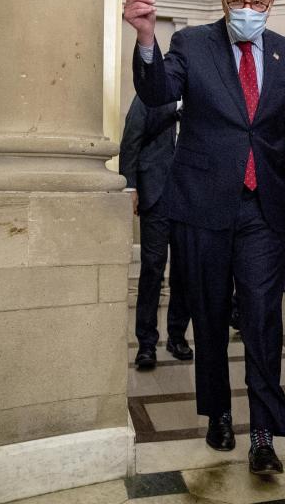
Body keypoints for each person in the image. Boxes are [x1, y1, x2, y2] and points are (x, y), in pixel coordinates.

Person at [113, 0, 285, 476]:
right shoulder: (192, 45)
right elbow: (157, 93)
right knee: (211, 314)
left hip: (263, 207)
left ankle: (264, 431)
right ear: (223, 0)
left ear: (272, 4)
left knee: (264, 318)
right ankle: (218, 412)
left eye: (257, 2)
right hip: (201, 205)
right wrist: (147, 36)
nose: (247, 10)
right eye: (238, 0)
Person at [119, 94, 192, 370]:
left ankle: (177, 336)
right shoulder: (153, 92)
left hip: (189, 196)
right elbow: (132, 136)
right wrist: (130, 186)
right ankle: (146, 343)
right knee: (153, 266)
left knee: (184, 269)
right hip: (156, 193)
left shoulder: (200, 92)